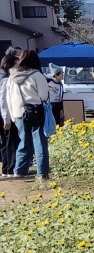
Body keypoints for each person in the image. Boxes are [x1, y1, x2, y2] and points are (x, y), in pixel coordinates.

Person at [6, 50, 52, 182]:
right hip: (36, 111)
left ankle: (19, 171)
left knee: (23, 141)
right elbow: (44, 96)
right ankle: (42, 173)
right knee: (39, 142)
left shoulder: (12, 77)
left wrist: (13, 116)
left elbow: (8, 98)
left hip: (18, 113)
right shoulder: (37, 75)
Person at [0, 50, 18, 175]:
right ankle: (9, 169)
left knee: (4, 142)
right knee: (10, 142)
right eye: (16, 64)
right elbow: (4, 100)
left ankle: (6, 168)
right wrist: (6, 118)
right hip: (6, 114)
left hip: (3, 114)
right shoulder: (6, 80)